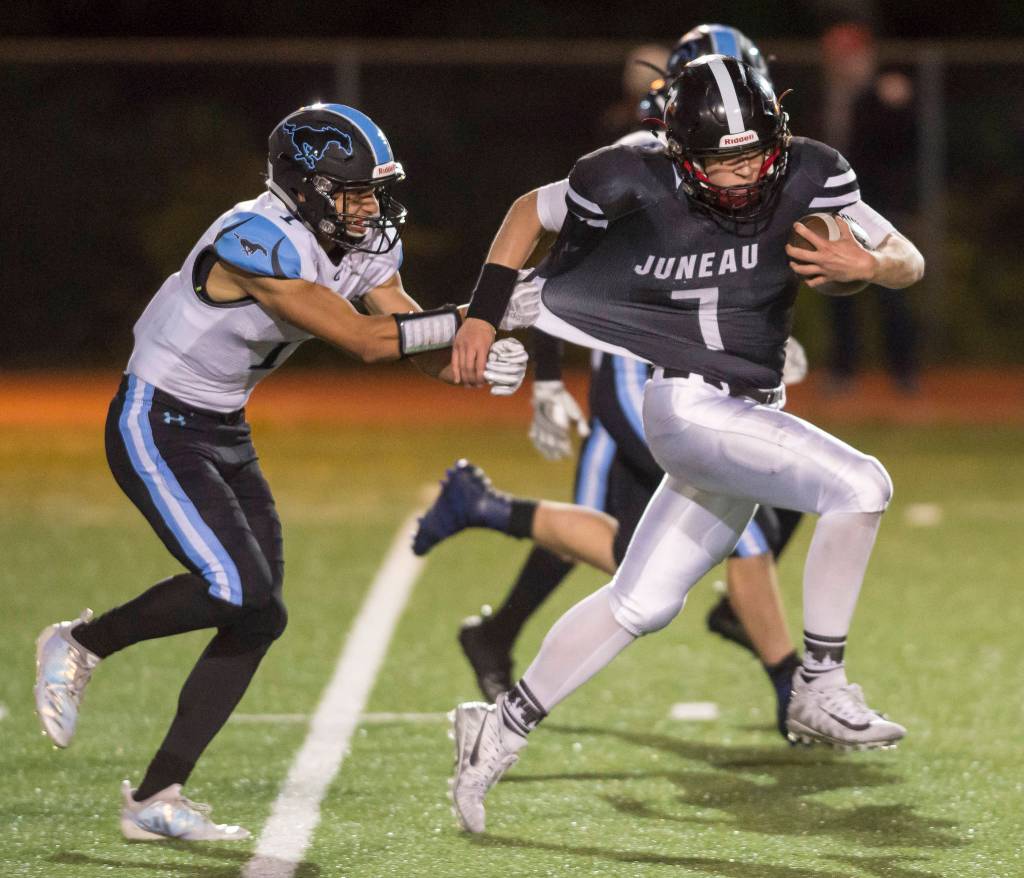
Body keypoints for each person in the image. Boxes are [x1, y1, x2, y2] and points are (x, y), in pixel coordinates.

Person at [447, 55, 925, 833]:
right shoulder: (625, 175)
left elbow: (911, 260)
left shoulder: (813, 170)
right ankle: (818, 684)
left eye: (751, 154)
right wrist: (481, 312)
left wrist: (868, 263)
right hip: (688, 405)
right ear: (678, 151)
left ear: (778, 133)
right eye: (719, 160)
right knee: (862, 486)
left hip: (748, 413)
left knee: (641, 603)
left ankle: (497, 729)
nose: (739, 178)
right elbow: (526, 213)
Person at [32, 102, 528, 841]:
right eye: (350, 191)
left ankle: (157, 796)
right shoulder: (253, 236)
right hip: (156, 418)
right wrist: (472, 316)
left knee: (258, 612)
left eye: (373, 191)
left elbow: (403, 331)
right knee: (235, 586)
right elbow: (363, 341)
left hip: (223, 424)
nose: (367, 207)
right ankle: (80, 644)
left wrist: (469, 363)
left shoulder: (355, 241)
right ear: (303, 186)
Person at [416, 25, 804, 737]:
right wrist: (547, 379)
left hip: (697, 368)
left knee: (653, 537)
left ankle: (496, 605)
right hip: (640, 371)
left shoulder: (741, 167)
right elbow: (564, 270)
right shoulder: (639, 162)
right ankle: (795, 686)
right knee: (703, 532)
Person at [818, 21, 921, 393]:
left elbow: (906, 142)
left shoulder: (885, 93)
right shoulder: (821, 94)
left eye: (849, 56)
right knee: (839, 291)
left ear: (866, 57)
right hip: (834, 209)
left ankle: (904, 372)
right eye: (836, 56)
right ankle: (843, 372)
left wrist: (897, 100)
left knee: (891, 291)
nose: (842, 63)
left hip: (880, 208)